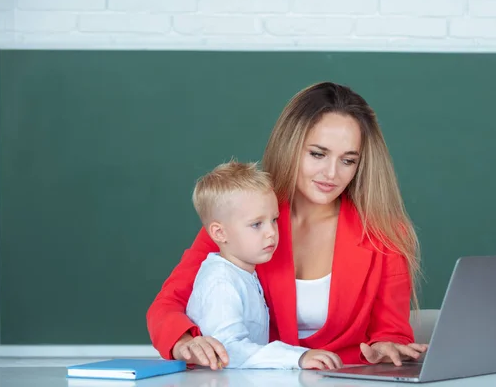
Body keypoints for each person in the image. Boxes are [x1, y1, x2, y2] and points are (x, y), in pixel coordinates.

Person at [147, 82, 428, 370]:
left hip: (346, 378)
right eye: (318, 154)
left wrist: (387, 345)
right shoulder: (241, 221)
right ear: (291, 146)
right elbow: (167, 306)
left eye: (348, 160)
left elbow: (391, 330)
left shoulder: (384, 232)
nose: (331, 173)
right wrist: (185, 341)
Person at [185, 160, 342, 370]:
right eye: (256, 224)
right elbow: (227, 349)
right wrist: (298, 357)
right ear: (219, 233)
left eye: (274, 220)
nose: (271, 232)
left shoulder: (243, 274)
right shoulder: (221, 282)